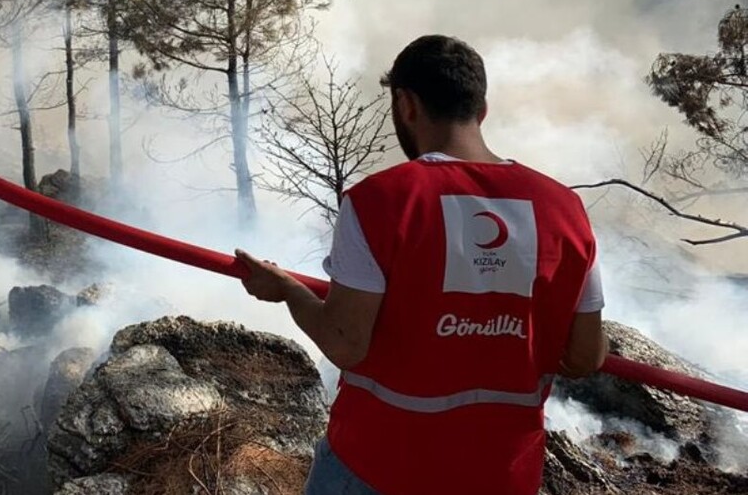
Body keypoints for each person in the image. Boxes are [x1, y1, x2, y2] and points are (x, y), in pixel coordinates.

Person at [235, 35, 608, 495]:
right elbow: (586, 356)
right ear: (482, 110)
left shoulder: (381, 200)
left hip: (377, 467)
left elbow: (345, 343)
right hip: (501, 475)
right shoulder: (565, 209)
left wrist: (287, 289)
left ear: (406, 104)